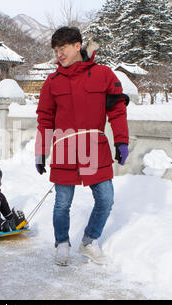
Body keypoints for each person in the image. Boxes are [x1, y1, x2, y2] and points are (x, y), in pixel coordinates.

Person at [34, 26, 130, 266]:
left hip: (95, 148)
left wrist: (121, 141)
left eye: (63, 48)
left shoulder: (103, 74)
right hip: (65, 149)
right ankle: (62, 243)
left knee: (106, 199)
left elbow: (117, 110)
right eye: (56, 50)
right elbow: (45, 119)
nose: (59, 54)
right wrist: (41, 151)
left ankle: (89, 240)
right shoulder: (52, 82)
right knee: (62, 203)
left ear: (78, 46)